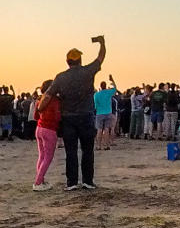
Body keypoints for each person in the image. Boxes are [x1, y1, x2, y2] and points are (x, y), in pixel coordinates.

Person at [37, 37, 106, 190]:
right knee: (88, 150)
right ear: (80, 60)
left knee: (71, 151)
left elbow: (48, 95)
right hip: (86, 116)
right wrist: (102, 43)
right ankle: (87, 181)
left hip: (68, 119)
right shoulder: (88, 72)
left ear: (67, 61)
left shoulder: (61, 77)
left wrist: (40, 108)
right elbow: (100, 58)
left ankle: (72, 183)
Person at [33, 79, 60, 191]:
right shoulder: (55, 101)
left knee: (42, 156)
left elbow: (35, 116)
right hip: (49, 129)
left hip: (39, 128)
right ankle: (38, 182)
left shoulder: (40, 100)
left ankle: (40, 179)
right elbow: (58, 117)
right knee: (48, 157)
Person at [93, 76, 118, 150]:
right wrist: (112, 80)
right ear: (106, 86)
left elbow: (95, 104)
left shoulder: (96, 94)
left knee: (99, 130)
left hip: (99, 113)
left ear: (100, 86)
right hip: (108, 112)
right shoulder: (108, 92)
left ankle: (98, 145)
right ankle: (107, 145)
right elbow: (115, 89)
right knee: (107, 129)